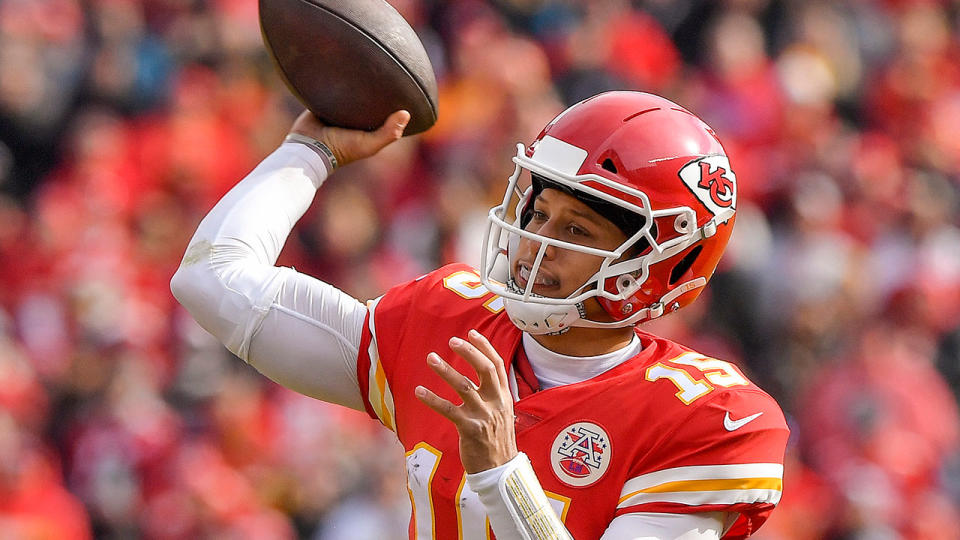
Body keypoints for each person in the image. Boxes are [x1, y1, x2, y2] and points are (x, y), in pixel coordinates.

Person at [171, 91, 789, 539]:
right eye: (537, 214)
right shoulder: (450, 322)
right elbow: (213, 281)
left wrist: (500, 473)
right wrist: (310, 151)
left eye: (577, 229)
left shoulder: (708, 420)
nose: (536, 244)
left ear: (661, 265)